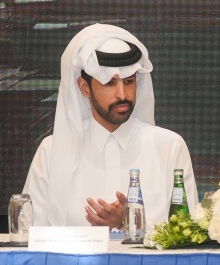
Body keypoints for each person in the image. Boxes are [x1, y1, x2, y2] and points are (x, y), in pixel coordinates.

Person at [23, 23, 196, 228]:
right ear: (85, 88)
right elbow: (30, 234)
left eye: (129, 82)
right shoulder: (51, 152)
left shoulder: (169, 147)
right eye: (109, 83)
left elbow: (188, 233)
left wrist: (129, 224)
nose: (122, 94)